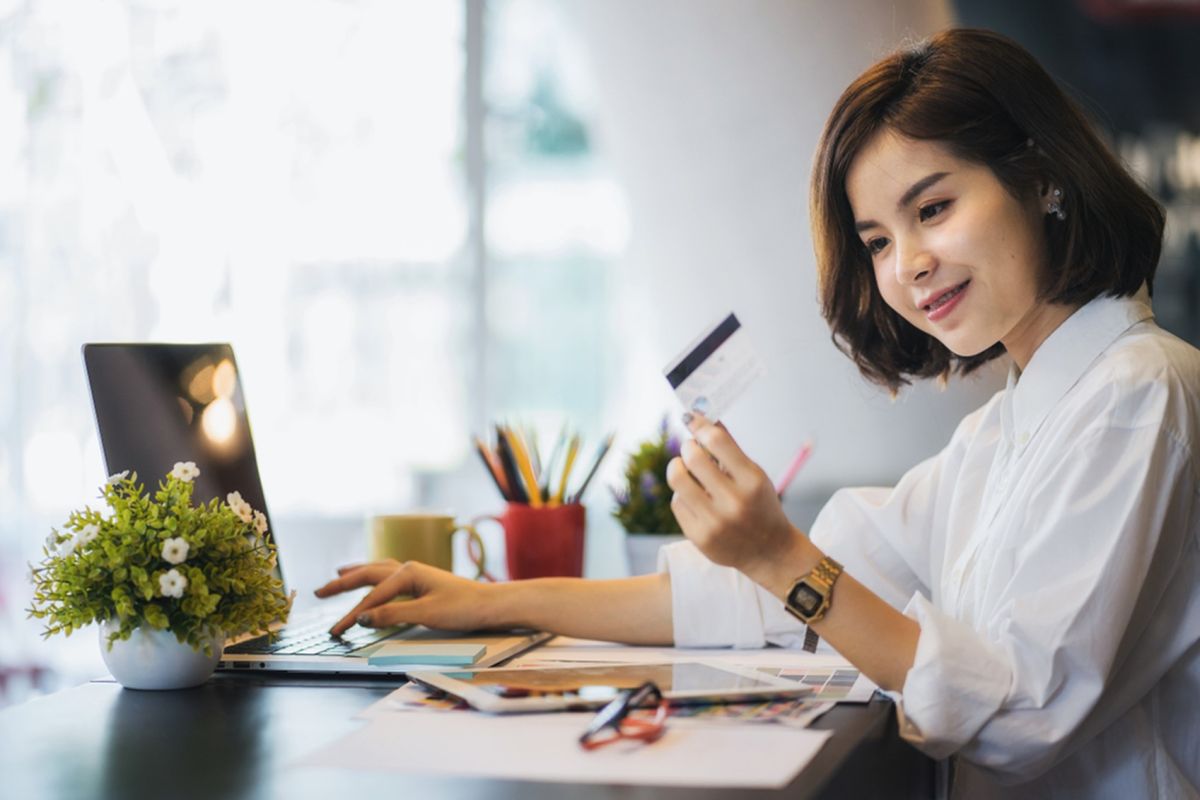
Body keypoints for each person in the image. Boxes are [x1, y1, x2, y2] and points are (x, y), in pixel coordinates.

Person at [315, 28, 1199, 798]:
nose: (909, 266)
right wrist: (491, 601)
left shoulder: (1136, 395)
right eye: (880, 242)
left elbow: (1017, 716)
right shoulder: (1006, 431)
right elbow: (756, 600)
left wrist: (783, 558)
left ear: (1040, 180)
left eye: (933, 208)